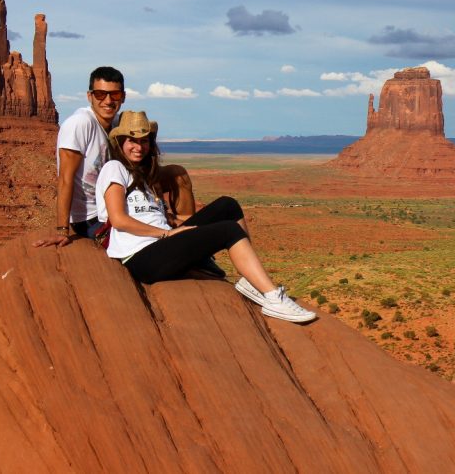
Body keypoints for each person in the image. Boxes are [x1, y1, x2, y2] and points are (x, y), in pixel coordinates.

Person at [96, 110, 316, 323]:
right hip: (141, 257)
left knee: (227, 206)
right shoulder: (115, 168)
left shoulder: (145, 177)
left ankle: (252, 280)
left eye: (144, 141)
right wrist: (167, 233)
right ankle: (272, 297)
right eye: (132, 141)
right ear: (120, 142)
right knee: (229, 230)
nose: (139, 147)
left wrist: (185, 230)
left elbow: (155, 216)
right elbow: (119, 219)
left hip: (163, 244)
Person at [34, 67, 203, 261]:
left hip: (123, 197)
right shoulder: (80, 123)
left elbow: (143, 168)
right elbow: (65, 178)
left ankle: (187, 231)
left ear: (123, 97)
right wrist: (63, 230)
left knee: (176, 173)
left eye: (114, 94)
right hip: (93, 216)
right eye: (100, 94)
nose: (107, 100)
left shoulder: (118, 124)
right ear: (89, 96)